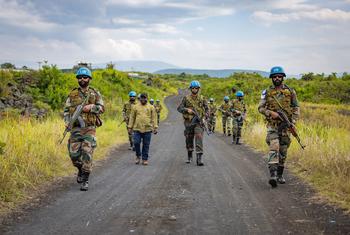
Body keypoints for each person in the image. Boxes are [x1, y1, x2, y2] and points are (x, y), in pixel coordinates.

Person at [63, 67, 104, 191]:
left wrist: (91, 107)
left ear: (89, 79)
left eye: (85, 77)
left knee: (87, 153)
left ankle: (85, 180)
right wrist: (67, 122)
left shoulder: (94, 93)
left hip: (89, 128)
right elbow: (66, 111)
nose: (82, 79)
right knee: (74, 156)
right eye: (80, 77)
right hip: (75, 129)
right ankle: (80, 169)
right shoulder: (72, 94)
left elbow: (102, 108)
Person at [258, 66, 300, 188]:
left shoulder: (290, 91)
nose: (277, 78)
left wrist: (293, 122)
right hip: (273, 126)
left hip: (286, 126)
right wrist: (270, 113)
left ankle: (280, 174)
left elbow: (296, 108)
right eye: (275, 76)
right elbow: (260, 108)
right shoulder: (266, 92)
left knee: (283, 151)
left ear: (282, 77)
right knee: (274, 147)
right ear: (272, 78)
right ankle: (273, 175)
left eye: (279, 76)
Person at [177, 80, 208, 166]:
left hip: (199, 122)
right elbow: (179, 108)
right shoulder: (186, 98)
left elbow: (207, 109)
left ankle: (199, 158)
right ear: (191, 89)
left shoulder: (202, 98)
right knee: (189, 138)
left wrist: (205, 117)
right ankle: (189, 156)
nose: (194, 89)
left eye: (196, 88)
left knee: (199, 137)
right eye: (193, 88)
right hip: (189, 122)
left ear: (198, 89)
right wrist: (187, 110)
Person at [128, 93, 158, 165]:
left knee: (146, 144)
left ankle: (145, 159)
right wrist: (130, 127)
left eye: (144, 98)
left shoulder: (151, 107)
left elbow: (154, 117)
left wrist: (155, 127)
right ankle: (138, 156)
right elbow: (132, 117)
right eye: (142, 98)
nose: (143, 100)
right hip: (137, 128)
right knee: (136, 143)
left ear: (147, 98)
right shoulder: (135, 107)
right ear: (140, 98)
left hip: (148, 129)